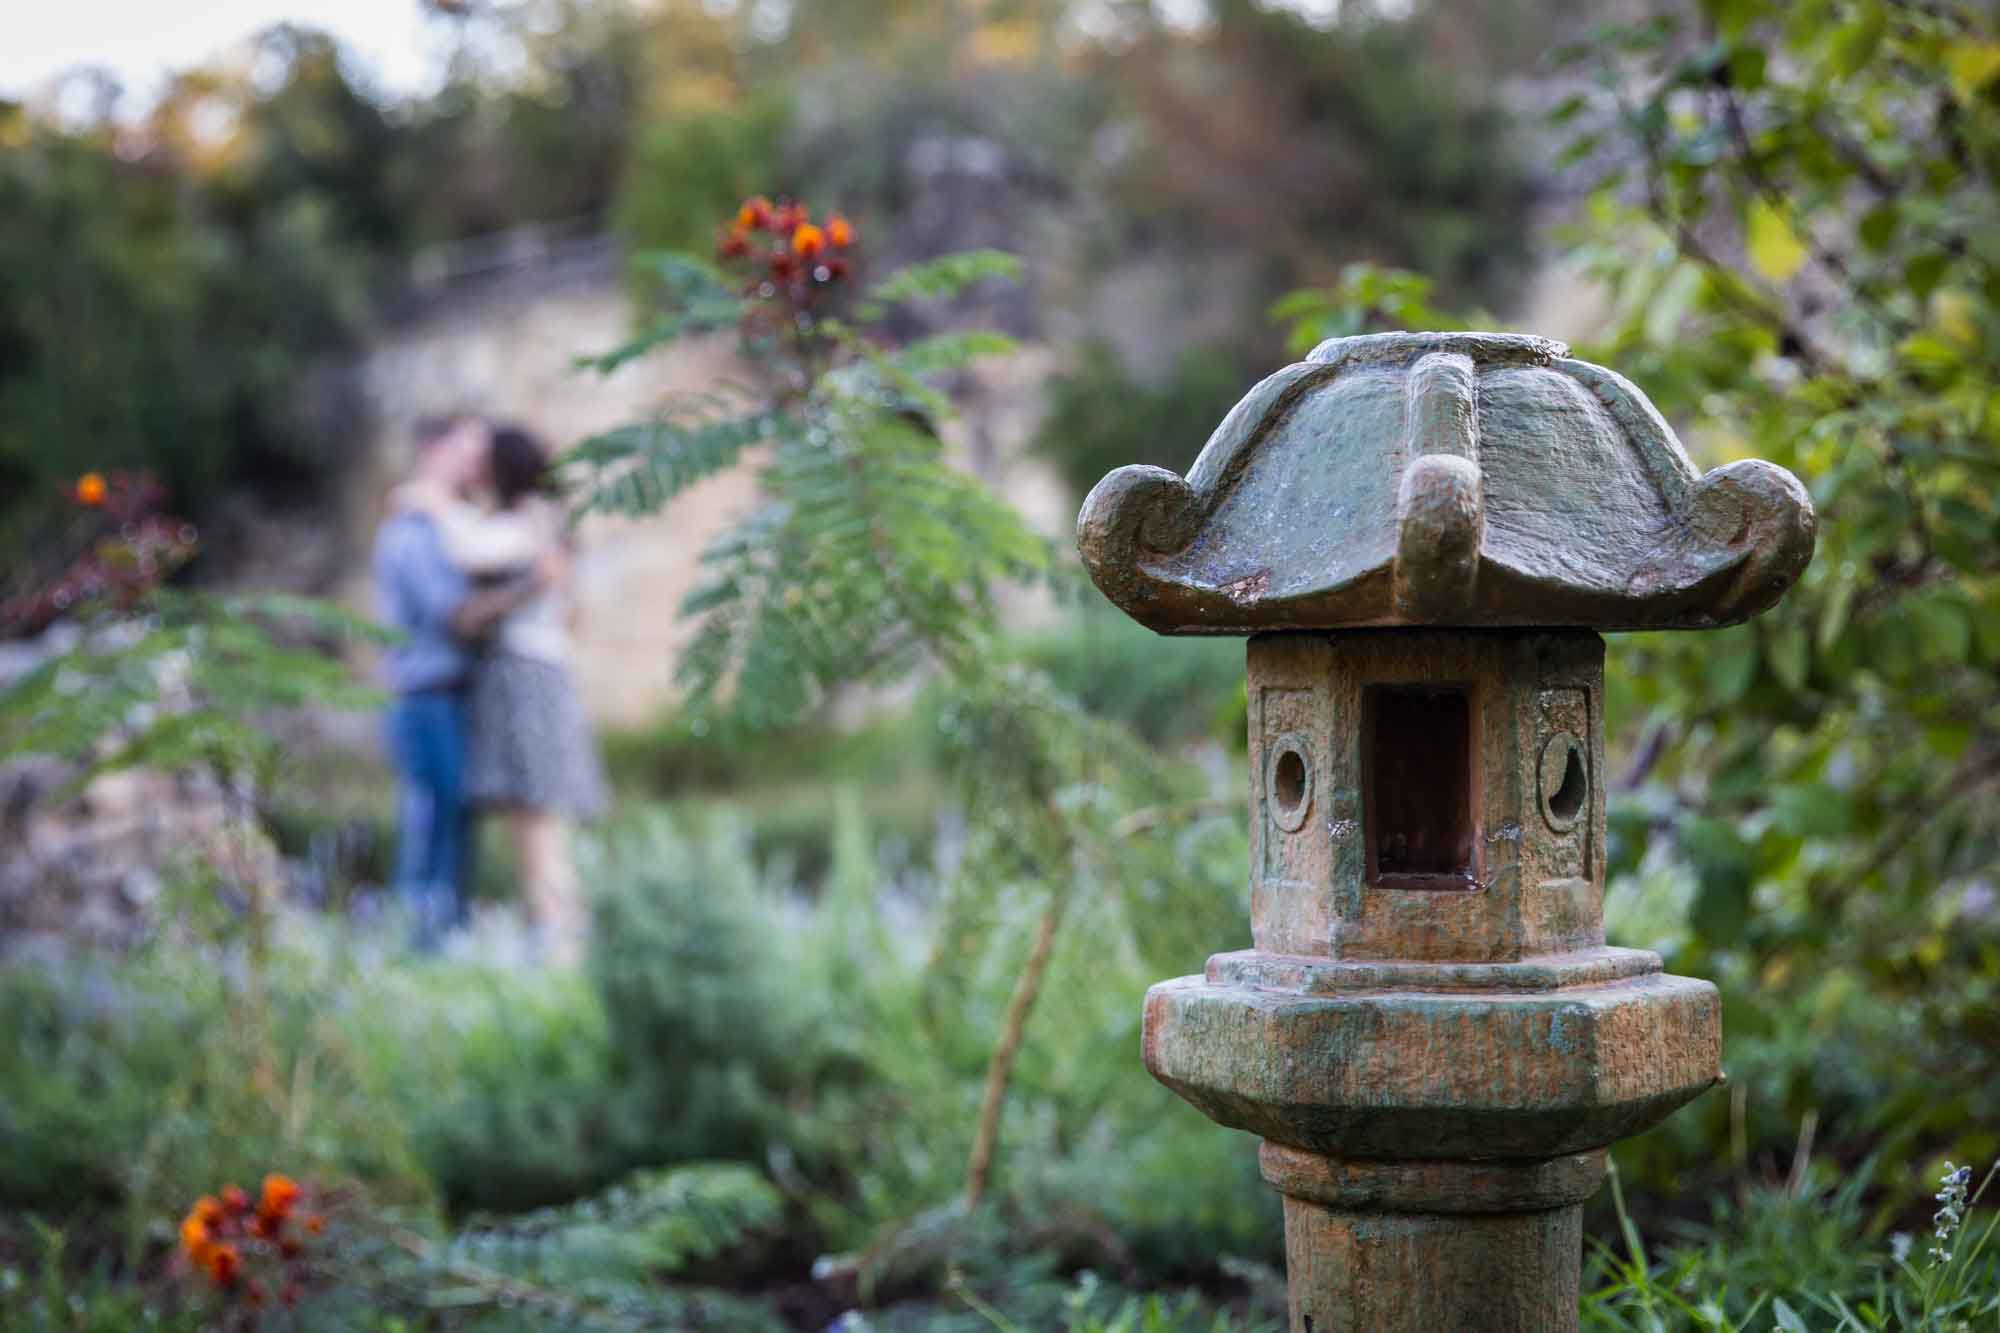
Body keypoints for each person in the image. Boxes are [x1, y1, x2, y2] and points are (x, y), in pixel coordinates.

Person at [399, 422, 606, 963]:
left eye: (484, 461)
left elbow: (474, 551)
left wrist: (434, 503)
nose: (477, 471)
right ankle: (558, 942)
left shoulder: (530, 517)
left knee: (537, 825)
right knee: (531, 826)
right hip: (526, 678)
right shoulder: (538, 518)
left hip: (526, 680)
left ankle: (561, 948)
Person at [372, 415, 548, 950]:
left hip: (456, 696)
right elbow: (456, 617)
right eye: (468, 451)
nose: (479, 464)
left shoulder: (453, 524)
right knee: (433, 824)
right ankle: (420, 948)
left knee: (457, 825)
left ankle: (445, 941)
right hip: (427, 696)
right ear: (433, 450)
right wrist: (538, 583)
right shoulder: (413, 532)